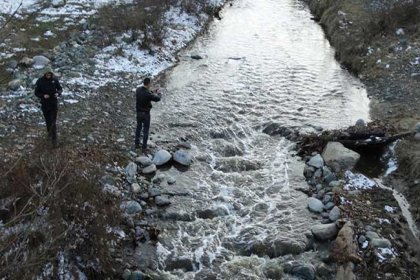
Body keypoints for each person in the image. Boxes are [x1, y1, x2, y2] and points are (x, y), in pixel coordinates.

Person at [34, 68, 63, 147]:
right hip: (45, 104)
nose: (48, 76)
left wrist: (58, 93)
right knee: (48, 121)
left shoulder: (55, 80)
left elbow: (60, 88)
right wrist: (43, 96)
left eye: (50, 74)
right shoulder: (40, 81)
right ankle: (49, 135)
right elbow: (36, 92)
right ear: (44, 74)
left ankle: (54, 139)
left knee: (53, 121)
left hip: (53, 103)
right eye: (47, 74)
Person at [135, 77, 161, 151]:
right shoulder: (148, 94)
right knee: (146, 130)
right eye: (150, 83)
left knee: (138, 129)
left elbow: (147, 92)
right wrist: (159, 93)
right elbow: (157, 99)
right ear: (149, 83)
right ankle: (144, 147)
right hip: (146, 114)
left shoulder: (138, 90)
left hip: (138, 113)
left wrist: (153, 91)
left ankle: (136, 144)